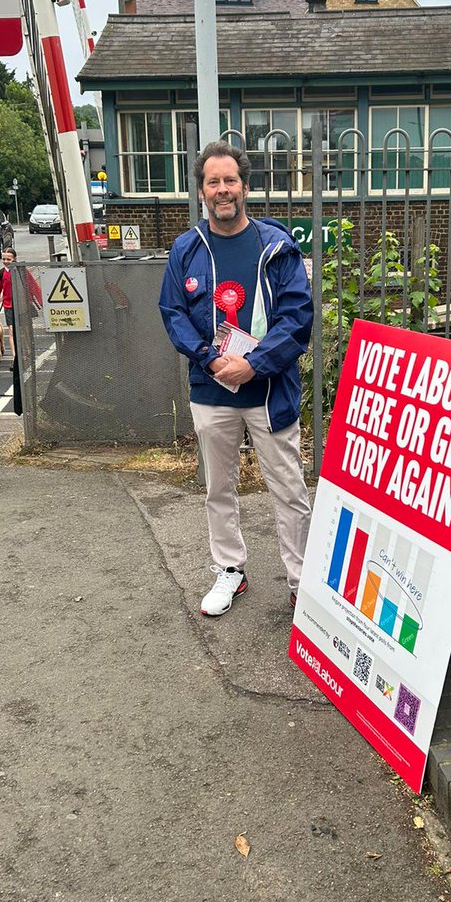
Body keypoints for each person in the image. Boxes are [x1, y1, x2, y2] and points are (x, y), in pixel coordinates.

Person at [159, 140, 314, 616]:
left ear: (245, 186)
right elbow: (173, 312)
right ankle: (230, 571)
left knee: (290, 490)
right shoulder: (186, 249)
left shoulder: (276, 246)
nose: (222, 190)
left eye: (230, 180)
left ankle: (301, 581)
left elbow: (298, 316)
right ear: (202, 191)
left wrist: (255, 364)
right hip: (212, 390)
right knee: (218, 488)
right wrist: (209, 359)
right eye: (213, 182)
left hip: (270, 393)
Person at [0, 248, 41, 362]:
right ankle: (15, 357)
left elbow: (33, 286)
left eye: (8, 259)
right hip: (9, 306)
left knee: (25, 330)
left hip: (23, 305)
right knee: (11, 330)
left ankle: (29, 352)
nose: (6, 261)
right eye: (4, 259)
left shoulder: (22, 271)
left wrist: (42, 302)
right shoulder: (1, 273)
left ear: (14, 259)